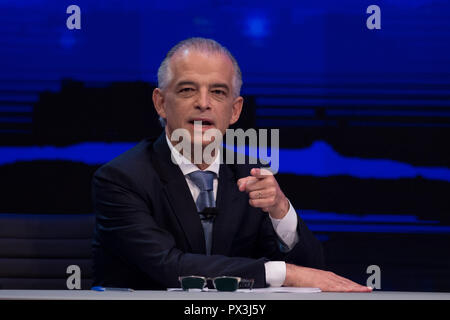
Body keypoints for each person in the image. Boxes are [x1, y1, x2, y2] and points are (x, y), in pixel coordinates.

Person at [92, 37, 371, 292]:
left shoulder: (250, 173)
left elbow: (311, 271)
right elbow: (169, 267)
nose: (203, 103)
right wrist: (282, 272)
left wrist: (281, 211)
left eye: (218, 92)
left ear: (235, 110)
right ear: (161, 103)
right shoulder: (121, 178)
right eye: (188, 90)